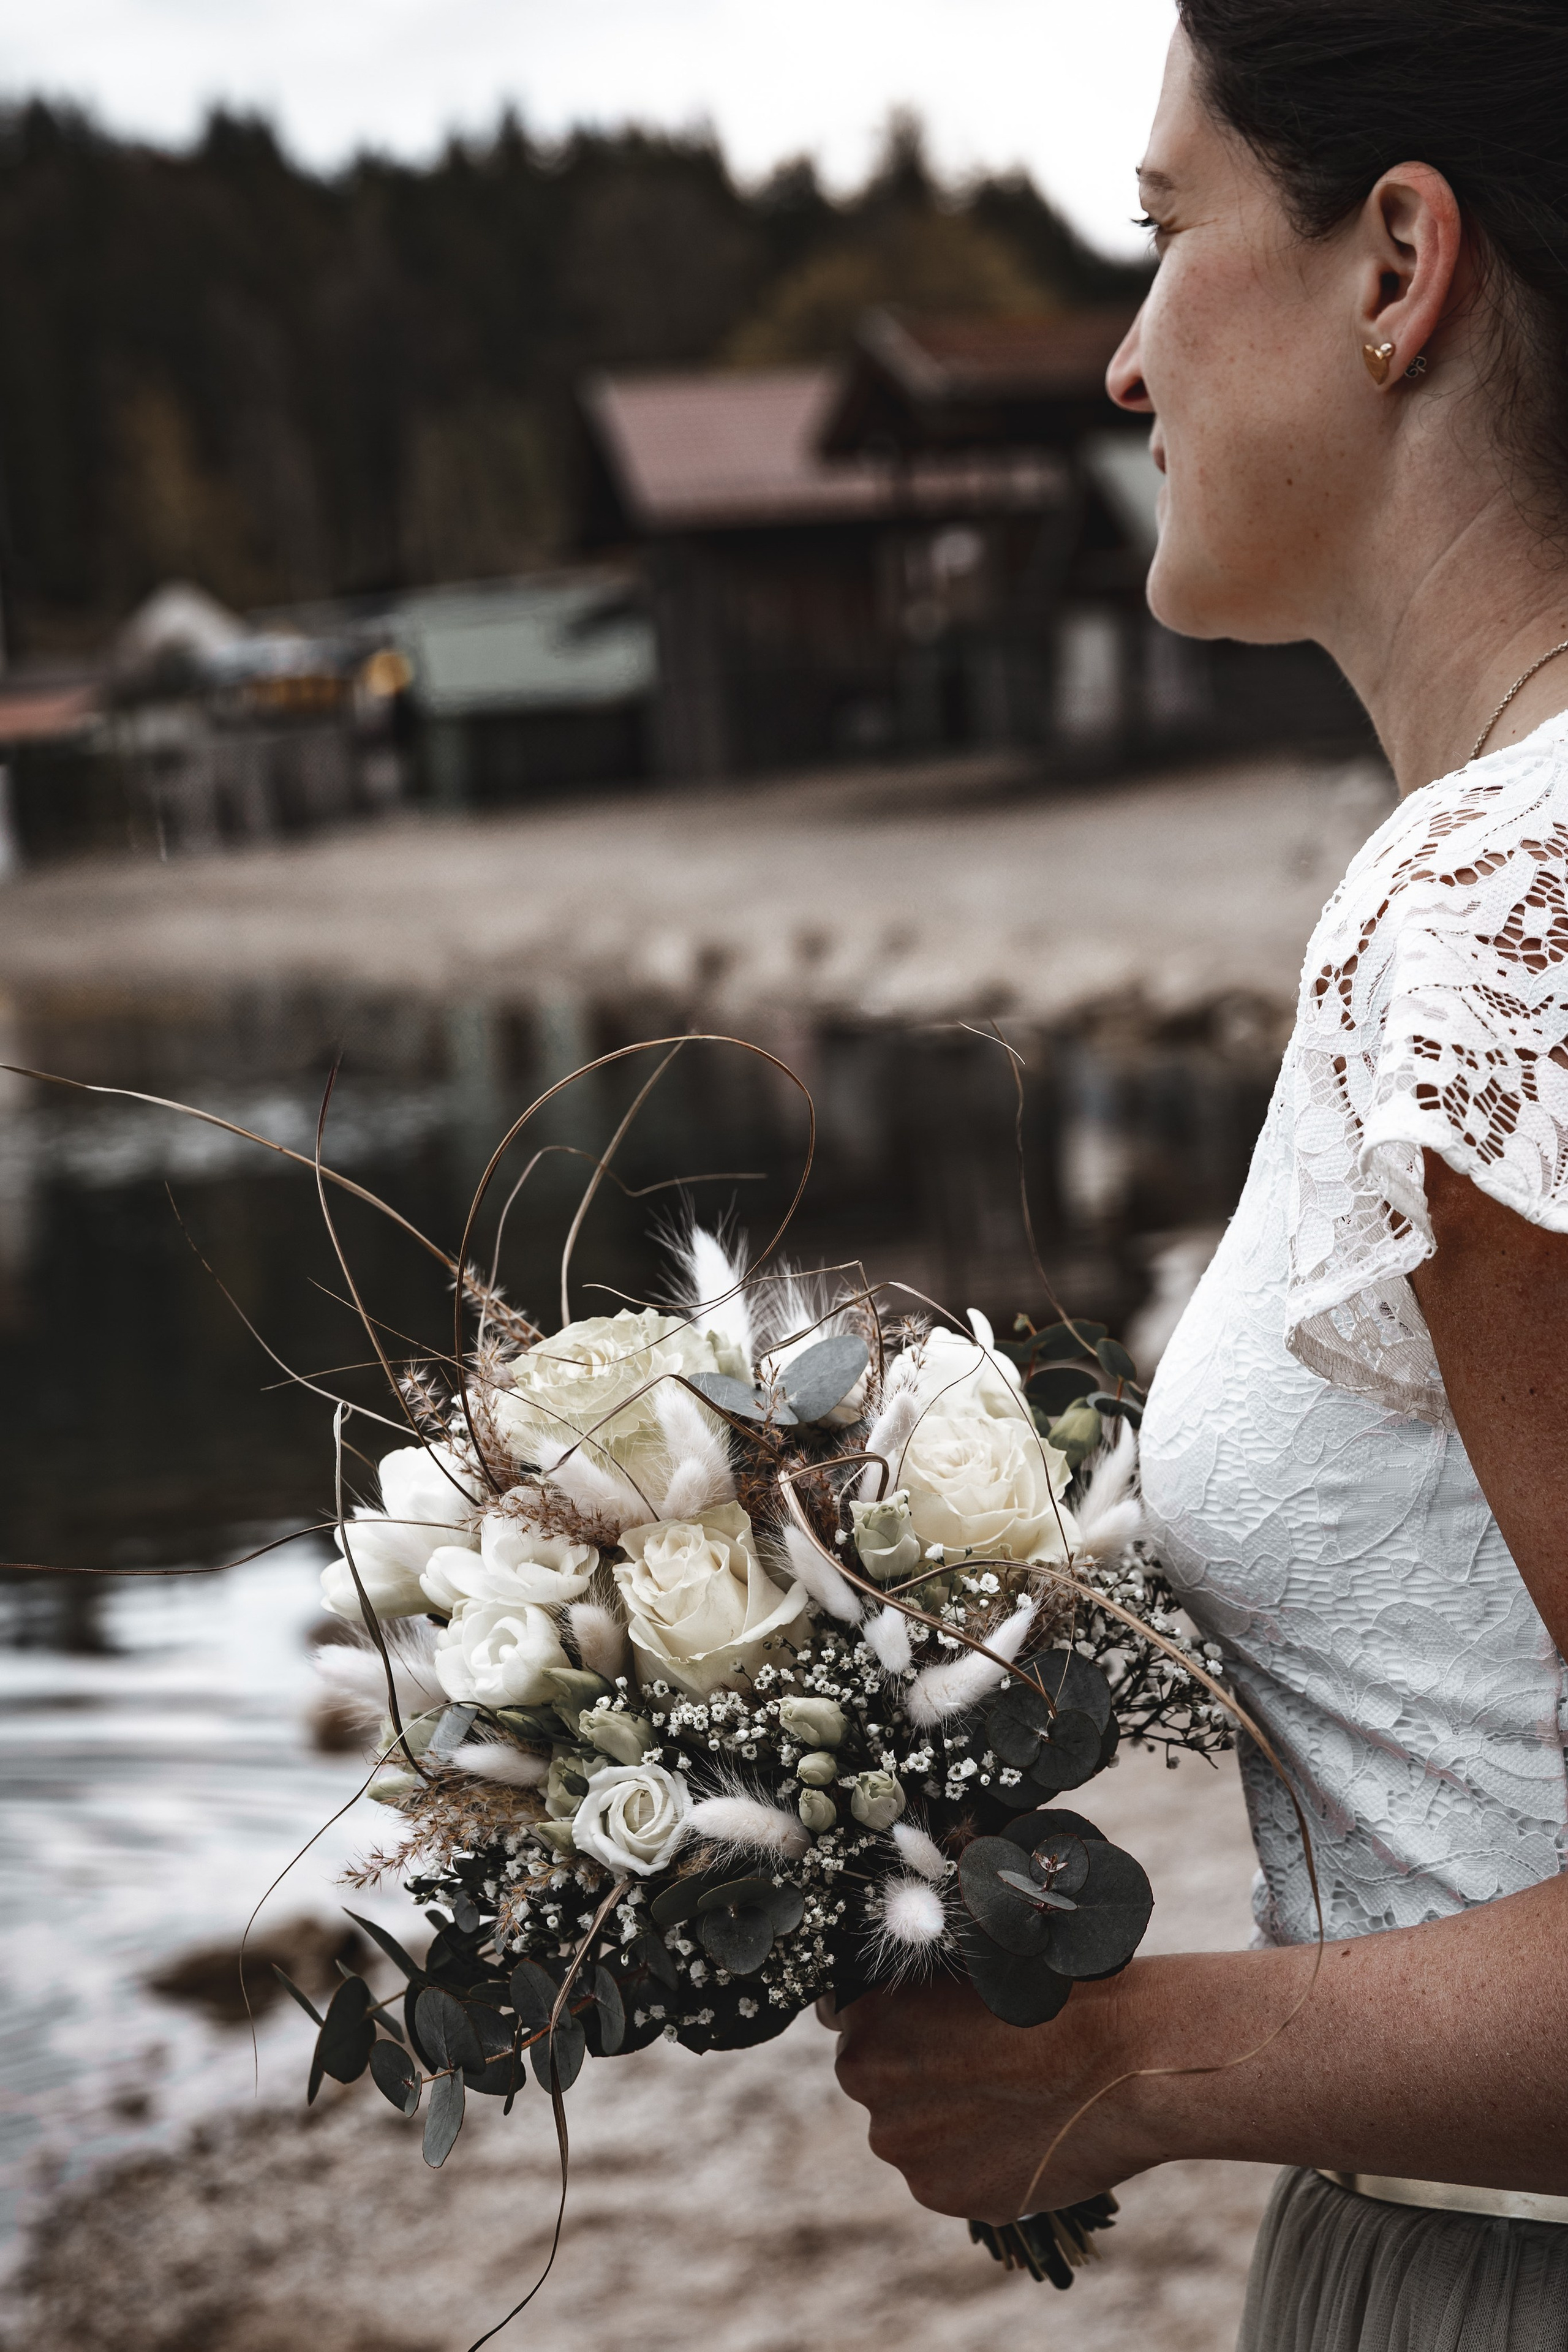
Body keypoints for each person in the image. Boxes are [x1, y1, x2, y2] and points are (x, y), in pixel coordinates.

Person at [826, 6, 1568, 2345]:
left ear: (1397, 267)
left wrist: (1126, 2070)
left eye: (1165, 233)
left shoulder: (1479, 926)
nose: (1130, 366)